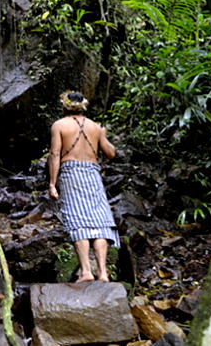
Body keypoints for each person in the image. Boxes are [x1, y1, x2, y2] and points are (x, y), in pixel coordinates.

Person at [47, 90, 119, 283]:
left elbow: (55, 155)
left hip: (71, 173)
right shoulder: (95, 127)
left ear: (64, 106)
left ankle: (86, 271)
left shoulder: (59, 125)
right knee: (100, 221)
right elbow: (111, 153)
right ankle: (103, 273)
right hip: (93, 173)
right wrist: (103, 134)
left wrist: (52, 184)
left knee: (78, 219)